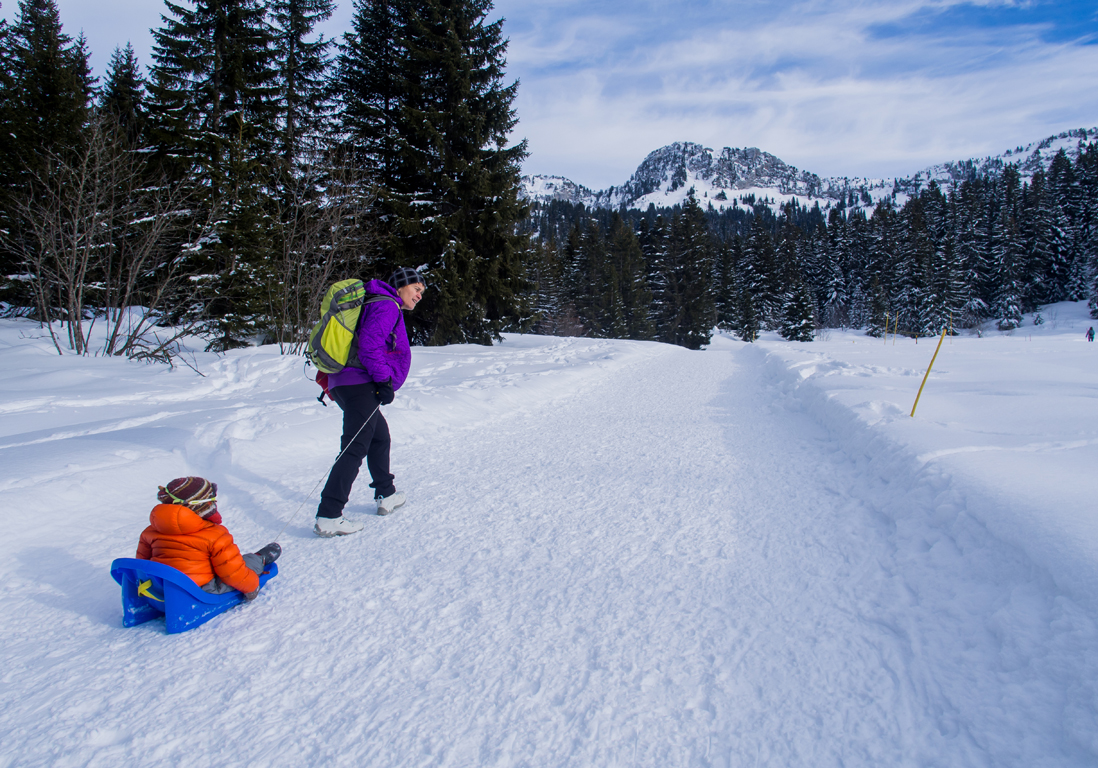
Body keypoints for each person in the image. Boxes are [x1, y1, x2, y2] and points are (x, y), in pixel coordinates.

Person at [314, 267, 426, 537]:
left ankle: (385, 494)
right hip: (358, 382)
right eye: (417, 289)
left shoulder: (375, 302)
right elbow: (369, 345)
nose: (420, 295)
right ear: (400, 287)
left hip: (345, 382)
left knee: (379, 437)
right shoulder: (387, 305)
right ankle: (329, 514)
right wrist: (384, 381)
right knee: (354, 447)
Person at [136, 476, 281, 600]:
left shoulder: (149, 532)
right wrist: (252, 588)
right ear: (201, 506)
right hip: (199, 593)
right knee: (243, 564)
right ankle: (259, 559)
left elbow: (141, 565)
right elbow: (233, 574)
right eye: (212, 500)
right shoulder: (214, 535)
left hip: (158, 592)